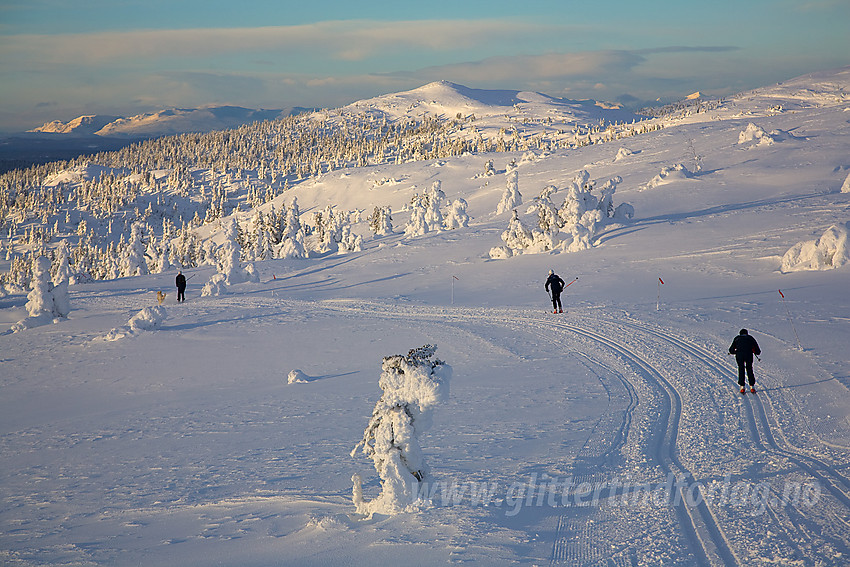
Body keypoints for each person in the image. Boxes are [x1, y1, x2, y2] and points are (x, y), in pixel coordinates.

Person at [729, 329, 761, 393]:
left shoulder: (737, 338)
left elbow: (731, 350)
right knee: (749, 368)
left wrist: (735, 352)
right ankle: (752, 386)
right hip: (749, 354)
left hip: (740, 355)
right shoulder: (750, 338)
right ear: (747, 333)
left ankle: (742, 387)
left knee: (741, 368)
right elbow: (758, 351)